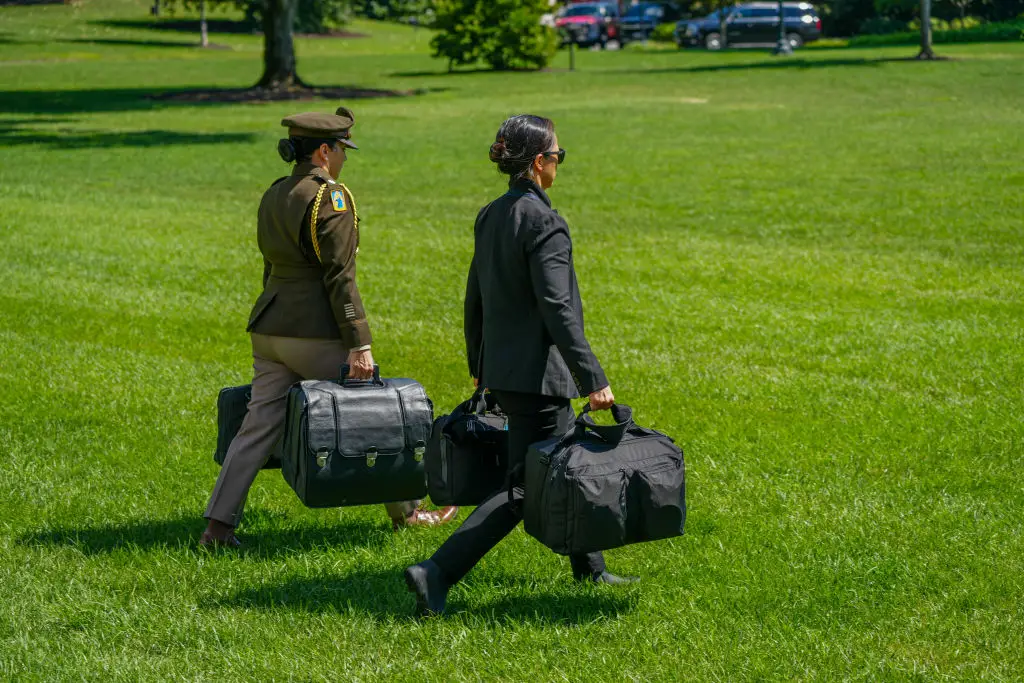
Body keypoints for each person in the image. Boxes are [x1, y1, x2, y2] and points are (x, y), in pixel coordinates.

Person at [404, 114, 636, 616]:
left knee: (563, 464)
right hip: (537, 378)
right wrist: (591, 378)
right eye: (558, 156)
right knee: (526, 485)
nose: (559, 164)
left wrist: (479, 361)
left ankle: (589, 569)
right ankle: (436, 573)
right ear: (537, 162)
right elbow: (557, 308)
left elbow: (475, 296)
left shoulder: (492, 214)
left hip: (505, 371)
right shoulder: (544, 222)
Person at [201, 108, 458, 547]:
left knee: (258, 424)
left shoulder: (276, 192)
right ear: (324, 150)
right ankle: (410, 513)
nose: (344, 158)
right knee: (382, 410)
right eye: (342, 149)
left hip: (269, 328)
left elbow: (270, 266)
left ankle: (218, 527)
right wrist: (359, 344)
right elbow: (340, 277)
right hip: (313, 332)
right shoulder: (331, 197)